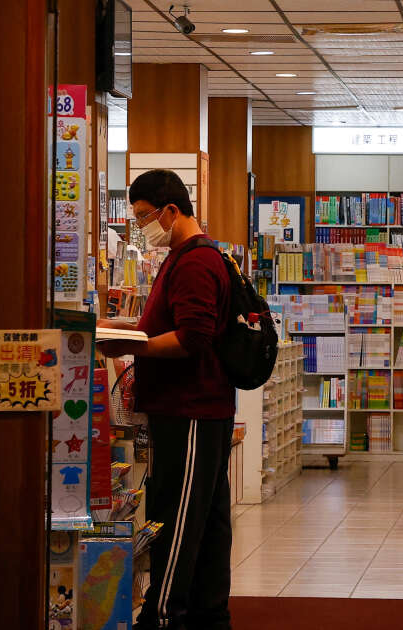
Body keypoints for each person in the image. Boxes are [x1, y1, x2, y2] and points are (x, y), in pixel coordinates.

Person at [97, 169, 234, 630]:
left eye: (143, 217)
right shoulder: (186, 256)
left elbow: (192, 337)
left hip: (190, 408)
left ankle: (162, 615)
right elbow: (169, 325)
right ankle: (207, 614)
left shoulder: (195, 261)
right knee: (206, 516)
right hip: (193, 407)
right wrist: (127, 329)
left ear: (171, 210)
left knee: (177, 514)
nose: (141, 228)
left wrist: (134, 346)